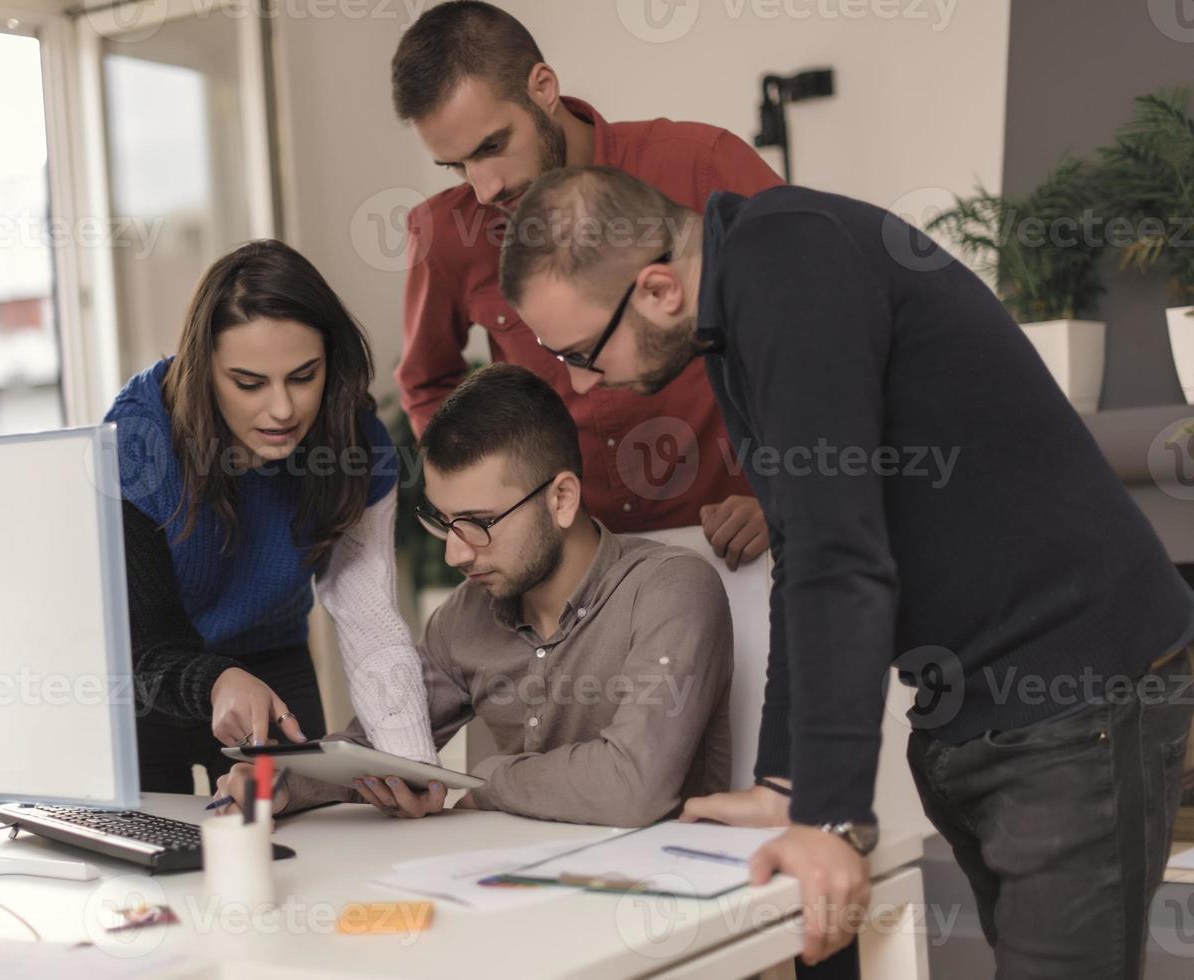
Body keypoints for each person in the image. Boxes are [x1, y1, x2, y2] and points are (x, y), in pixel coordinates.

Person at [497, 165, 1194, 975]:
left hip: (1073, 690)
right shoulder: (734, 310)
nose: (582, 383)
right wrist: (787, 782)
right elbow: (801, 550)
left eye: (579, 352)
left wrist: (832, 818)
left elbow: (840, 552)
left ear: (656, 289)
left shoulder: (792, 264)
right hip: (978, 707)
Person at [216, 363, 733, 826]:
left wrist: (481, 784)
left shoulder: (672, 589)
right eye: (446, 523)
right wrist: (278, 784)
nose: (456, 556)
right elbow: (382, 743)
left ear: (562, 499)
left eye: (480, 524)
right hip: (511, 892)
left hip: (668, 897)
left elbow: (634, 787)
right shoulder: (467, 614)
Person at [390, 0, 780, 569]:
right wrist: (496, 507)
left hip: (740, 539)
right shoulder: (445, 232)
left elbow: (814, 331)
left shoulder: (701, 166)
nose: (483, 187)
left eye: (492, 146)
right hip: (579, 566)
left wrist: (779, 494)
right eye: (455, 166)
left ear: (543, 87)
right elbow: (427, 385)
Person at [105, 239, 438, 795]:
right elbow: (141, 642)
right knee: (150, 854)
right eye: (249, 383)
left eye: (303, 376)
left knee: (301, 846)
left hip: (272, 663)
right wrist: (216, 680)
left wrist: (412, 767)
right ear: (203, 371)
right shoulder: (136, 441)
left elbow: (370, 621)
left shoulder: (355, 444)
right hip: (142, 678)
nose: (282, 409)